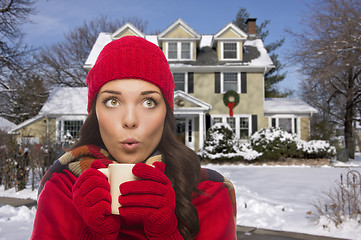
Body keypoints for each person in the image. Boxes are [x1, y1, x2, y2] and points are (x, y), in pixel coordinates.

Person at [31, 36, 237, 240]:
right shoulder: (62, 188)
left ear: (166, 113)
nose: (130, 120)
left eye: (148, 102)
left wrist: (165, 234)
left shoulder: (209, 191)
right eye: (112, 101)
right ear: (95, 114)